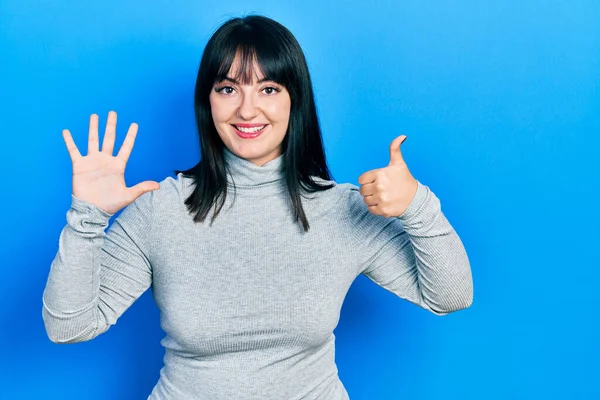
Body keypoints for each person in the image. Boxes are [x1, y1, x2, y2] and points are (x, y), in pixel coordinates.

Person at [42, 14, 473, 400]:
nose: (247, 109)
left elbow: (450, 296)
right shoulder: (161, 209)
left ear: (294, 101)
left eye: (268, 88)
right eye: (228, 88)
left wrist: (418, 205)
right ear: (207, 102)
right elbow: (69, 327)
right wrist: (88, 218)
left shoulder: (341, 209)